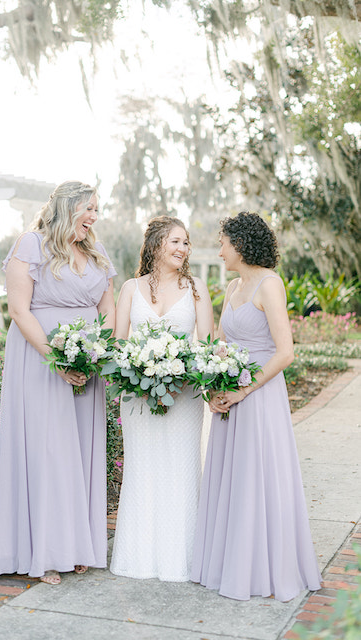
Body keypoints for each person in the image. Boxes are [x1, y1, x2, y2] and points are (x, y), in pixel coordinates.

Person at [0, 180, 116, 585]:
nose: (94, 216)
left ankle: (78, 545)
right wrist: (58, 360)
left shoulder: (95, 250)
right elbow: (19, 310)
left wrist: (97, 353)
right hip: (41, 361)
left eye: (97, 209)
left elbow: (108, 308)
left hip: (87, 364)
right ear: (67, 207)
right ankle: (45, 552)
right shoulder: (31, 244)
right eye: (89, 209)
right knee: (49, 451)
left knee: (81, 450)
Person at [190, 211, 322, 601]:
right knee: (234, 481)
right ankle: (231, 563)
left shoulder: (270, 285)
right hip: (230, 398)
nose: (219, 252)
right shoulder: (232, 287)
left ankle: (263, 569)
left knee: (258, 479)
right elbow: (221, 340)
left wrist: (244, 390)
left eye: (223, 244)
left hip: (259, 399)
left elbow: (285, 353)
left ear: (241, 245)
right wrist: (215, 383)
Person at [110, 215, 214, 582]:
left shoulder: (196, 288)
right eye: (176, 241)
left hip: (184, 398)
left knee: (181, 470)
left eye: (186, 243)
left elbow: (208, 346)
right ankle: (139, 558)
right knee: (144, 470)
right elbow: (118, 346)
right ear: (156, 244)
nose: (183, 249)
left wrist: (180, 374)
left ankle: (181, 561)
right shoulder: (129, 288)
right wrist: (138, 374)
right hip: (138, 399)